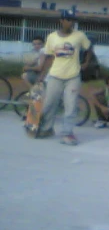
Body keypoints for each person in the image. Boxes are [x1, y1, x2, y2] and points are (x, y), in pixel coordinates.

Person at [37, 10, 93, 145]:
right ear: (61, 21)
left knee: (71, 105)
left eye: (72, 20)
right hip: (55, 75)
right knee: (49, 104)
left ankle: (67, 133)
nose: (70, 22)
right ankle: (46, 129)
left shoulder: (79, 36)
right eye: (68, 19)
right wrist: (42, 75)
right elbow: (49, 57)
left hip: (73, 77)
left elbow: (89, 49)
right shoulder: (52, 37)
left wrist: (86, 63)